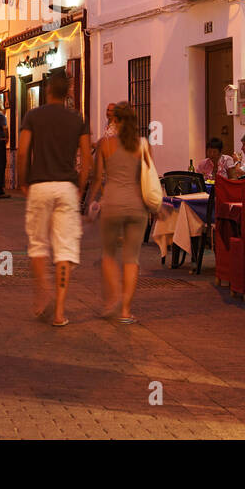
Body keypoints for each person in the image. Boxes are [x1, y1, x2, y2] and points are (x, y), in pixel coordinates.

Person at [17, 72, 91, 327]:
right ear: (68, 93)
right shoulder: (76, 119)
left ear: (48, 90)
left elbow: (23, 151)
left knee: (38, 244)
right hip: (67, 187)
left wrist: (22, 180)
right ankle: (59, 311)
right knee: (66, 247)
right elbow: (87, 160)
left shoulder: (33, 116)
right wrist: (79, 187)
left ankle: (42, 293)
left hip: (39, 185)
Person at [92, 101, 147, 324]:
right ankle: (125, 310)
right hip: (136, 205)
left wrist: (89, 206)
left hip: (112, 204)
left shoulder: (104, 144)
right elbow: (147, 179)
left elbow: (96, 179)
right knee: (132, 258)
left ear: (115, 120)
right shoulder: (143, 145)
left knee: (108, 254)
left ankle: (112, 298)